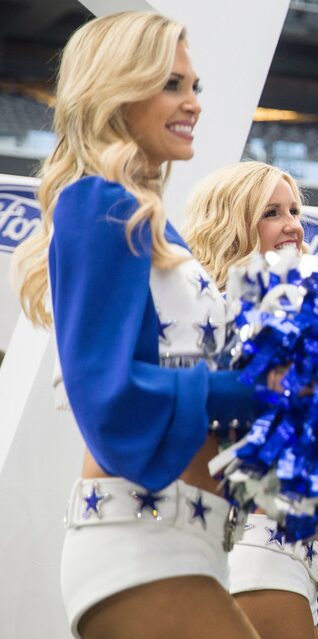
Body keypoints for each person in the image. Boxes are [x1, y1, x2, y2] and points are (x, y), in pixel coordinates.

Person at [11, 12, 263, 639]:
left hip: (188, 542)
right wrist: (262, 389)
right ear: (118, 90)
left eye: (196, 87)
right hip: (140, 542)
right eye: (171, 84)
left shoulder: (144, 218)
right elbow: (108, 391)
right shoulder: (100, 202)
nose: (193, 104)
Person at [183, 161, 318, 639]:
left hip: (302, 560)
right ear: (231, 228)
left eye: (293, 210)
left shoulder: (297, 311)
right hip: (262, 552)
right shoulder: (228, 317)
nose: (293, 224)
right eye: (272, 213)